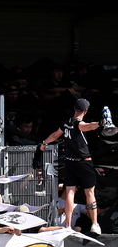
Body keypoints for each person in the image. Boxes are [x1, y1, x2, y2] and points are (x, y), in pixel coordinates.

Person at [39, 98, 101, 235]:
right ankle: (95, 224)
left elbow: (55, 135)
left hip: (70, 162)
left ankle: (67, 225)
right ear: (85, 111)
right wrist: (100, 123)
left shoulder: (67, 122)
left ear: (74, 108)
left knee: (70, 192)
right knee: (89, 193)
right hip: (84, 162)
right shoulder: (80, 124)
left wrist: (44, 144)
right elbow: (89, 126)